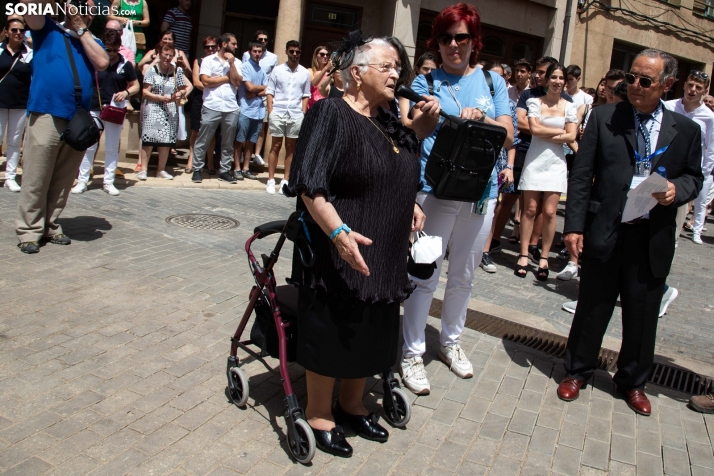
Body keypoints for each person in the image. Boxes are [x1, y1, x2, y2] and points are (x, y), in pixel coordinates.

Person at [283, 33, 424, 457]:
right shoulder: (330, 113)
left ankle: (353, 403)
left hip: (384, 247)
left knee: (373, 327)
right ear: (357, 73)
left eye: (398, 67)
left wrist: (412, 201)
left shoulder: (387, 121)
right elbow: (310, 184)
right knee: (335, 325)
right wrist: (340, 233)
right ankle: (319, 413)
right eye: (387, 66)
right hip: (339, 248)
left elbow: (397, 168)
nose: (396, 73)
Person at [557, 49, 703, 416]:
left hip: (651, 235)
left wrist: (676, 191)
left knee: (641, 314)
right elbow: (580, 177)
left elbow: (694, 178)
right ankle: (577, 371)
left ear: (667, 85)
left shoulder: (685, 130)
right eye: (630, 78)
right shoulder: (605, 117)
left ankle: (632, 382)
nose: (633, 86)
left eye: (644, 80)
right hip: (606, 228)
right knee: (592, 306)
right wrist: (574, 226)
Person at [400, 3, 513, 395]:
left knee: (464, 276)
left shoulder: (493, 84)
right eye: (445, 37)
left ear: (473, 42)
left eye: (461, 37)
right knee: (424, 273)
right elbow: (408, 132)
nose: (453, 44)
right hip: (436, 191)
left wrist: (482, 120)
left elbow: (510, 136)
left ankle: (450, 342)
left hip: (481, 193)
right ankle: (412, 352)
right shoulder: (424, 84)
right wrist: (426, 118)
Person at [15, 0, 109, 254]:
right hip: (46, 111)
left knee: (63, 178)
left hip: (76, 119)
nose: (84, 10)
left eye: (89, 8)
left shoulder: (92, 41)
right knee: (36, 175)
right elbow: (28, 6)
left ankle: (50, 224)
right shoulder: (47, 29)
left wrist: (81, 29)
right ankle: (29, 230)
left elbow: (102, 62)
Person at [514, 62, 577, 280]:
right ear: (546, 79)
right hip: (535, 160)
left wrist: (548, 132)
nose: (558, 82)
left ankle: (544, 257)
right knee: (530, 209)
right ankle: (523, 254)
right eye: (554, 77)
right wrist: (560, 131)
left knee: (550, 212)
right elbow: (533, 129)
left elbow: (572, 136)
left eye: (562, 78)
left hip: (556, 163)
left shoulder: (569, 106)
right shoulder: (533, 101)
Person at [71, 28, 139, 196]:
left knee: (111, 147)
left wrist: (127, 92)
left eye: (116, 49)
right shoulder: (95, 61)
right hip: (94, 106)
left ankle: (108, 182)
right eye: (108, 49)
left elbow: (136, 85)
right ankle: (82, 180)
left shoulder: (125, 64)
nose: (112, 53)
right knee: (89, 146)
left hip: (115, 109)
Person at [664, 71, 714, 246]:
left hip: (686, 172)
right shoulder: (668, 107)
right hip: (663, 164)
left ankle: (673, 243)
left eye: (698, 87)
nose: (693, 90)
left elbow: (710, 149)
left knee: (679, 210)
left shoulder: (708, 117)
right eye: (690, 85)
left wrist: (703, 176)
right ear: (684, 85)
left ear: (705, 91)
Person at [480, 62, 520, 274]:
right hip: (475, 160)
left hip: (498, 162)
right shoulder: (475, 99)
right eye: (491, 77)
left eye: (501, 77)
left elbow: (513, 141)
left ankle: (484, 252)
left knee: (492, 208)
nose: (496, 82)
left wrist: (510, 167)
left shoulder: (509, 106)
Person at [190, 33, 242, 184]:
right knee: (203, 138)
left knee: (228, 141)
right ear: (225, 44)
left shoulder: (237, 62)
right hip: (212, 105)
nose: (236, 46)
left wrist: (231, 65)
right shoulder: (208, 60)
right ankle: (197, 169)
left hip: (231, 106)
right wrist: (227, 78)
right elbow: (205, 81)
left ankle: (224, 170)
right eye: (234, 43)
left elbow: (238, 82)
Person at [265, 40, 310, 195]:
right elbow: (270, 91)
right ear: (286, 52)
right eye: (292, 51)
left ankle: (286, 180)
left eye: (297, 52)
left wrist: (303, 111)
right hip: (278, 111)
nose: (294, 55)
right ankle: (271, 179)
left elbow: (306, 94)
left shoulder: (304, 72)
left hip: (295, 113)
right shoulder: (277, 71)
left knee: (291, 148)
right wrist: (270, 111)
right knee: (275, 146)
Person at [139, 44, 188, 180]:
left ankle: (161, 170)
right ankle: (143, 169)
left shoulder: (176, 71)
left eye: (170, 55)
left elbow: (183, 88)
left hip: (170, 109)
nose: (167, 57)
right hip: (153, 107)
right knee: (149, 139)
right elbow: (145, 92)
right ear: (159, 54)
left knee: (166, 141)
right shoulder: (151, 70)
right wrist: (160, 98)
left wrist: (179, 94)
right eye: (165, 54)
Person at [0, 17, 33, 193]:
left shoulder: (29, 54)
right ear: (6, 32)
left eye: (21, 30)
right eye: (14, 30)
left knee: (14, 142)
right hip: (0, 103)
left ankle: (10, 178)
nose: (18, 33)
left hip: (20, 104)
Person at [241, 30, 278, 166]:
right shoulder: (246, 56)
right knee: (243, 130)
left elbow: (271, 82)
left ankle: (256, 154)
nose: (263, 42)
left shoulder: (273, 57)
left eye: (265, 40)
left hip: (262, 96)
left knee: (261, 127)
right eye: (260, 39)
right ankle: (242, 157)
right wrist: (256, 88)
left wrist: (259, 91)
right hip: (246, 97)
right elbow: (246, 81)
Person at [233, 41, 267, 181]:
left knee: (250, 142)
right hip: (245, 110)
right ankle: (236, 168)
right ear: (249, 52)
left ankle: (246, 168)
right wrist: (258, 89)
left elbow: (269, 89)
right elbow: (250, 87)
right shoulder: (245, 67)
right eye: (255, 51)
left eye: (260, 51)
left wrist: (256, 92)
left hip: (258, 111)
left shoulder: (263, 70)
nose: (257, 54)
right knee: (239, 141)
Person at [186, 36, 218, 174]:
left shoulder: (220, 62)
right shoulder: (198, 61)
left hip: (214, 100)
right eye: (207, 47)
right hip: (199, 99)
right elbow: (196, 82)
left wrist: (211, 85)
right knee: (196, 131)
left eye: (213, 46)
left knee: (212, 132)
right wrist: (212, 85)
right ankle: (191, 159)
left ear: (218, 47)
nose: (210, 49)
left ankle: (210, 162)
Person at [398, 52, 435, 128]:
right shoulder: (408, 88)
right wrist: (429, 126)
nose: (429, 72)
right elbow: (406, 121)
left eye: (433, 70)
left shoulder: (439, 89)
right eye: (425, 68)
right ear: (418, 69)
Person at [307, 45, 330, 109]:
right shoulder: (310, 71)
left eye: (327, 55)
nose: (325, 56)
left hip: (325, 105)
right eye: (322, 54)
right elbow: (314, 83)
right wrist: (325, 68)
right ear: (316, 56)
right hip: (312, 104)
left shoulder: (330, 73)